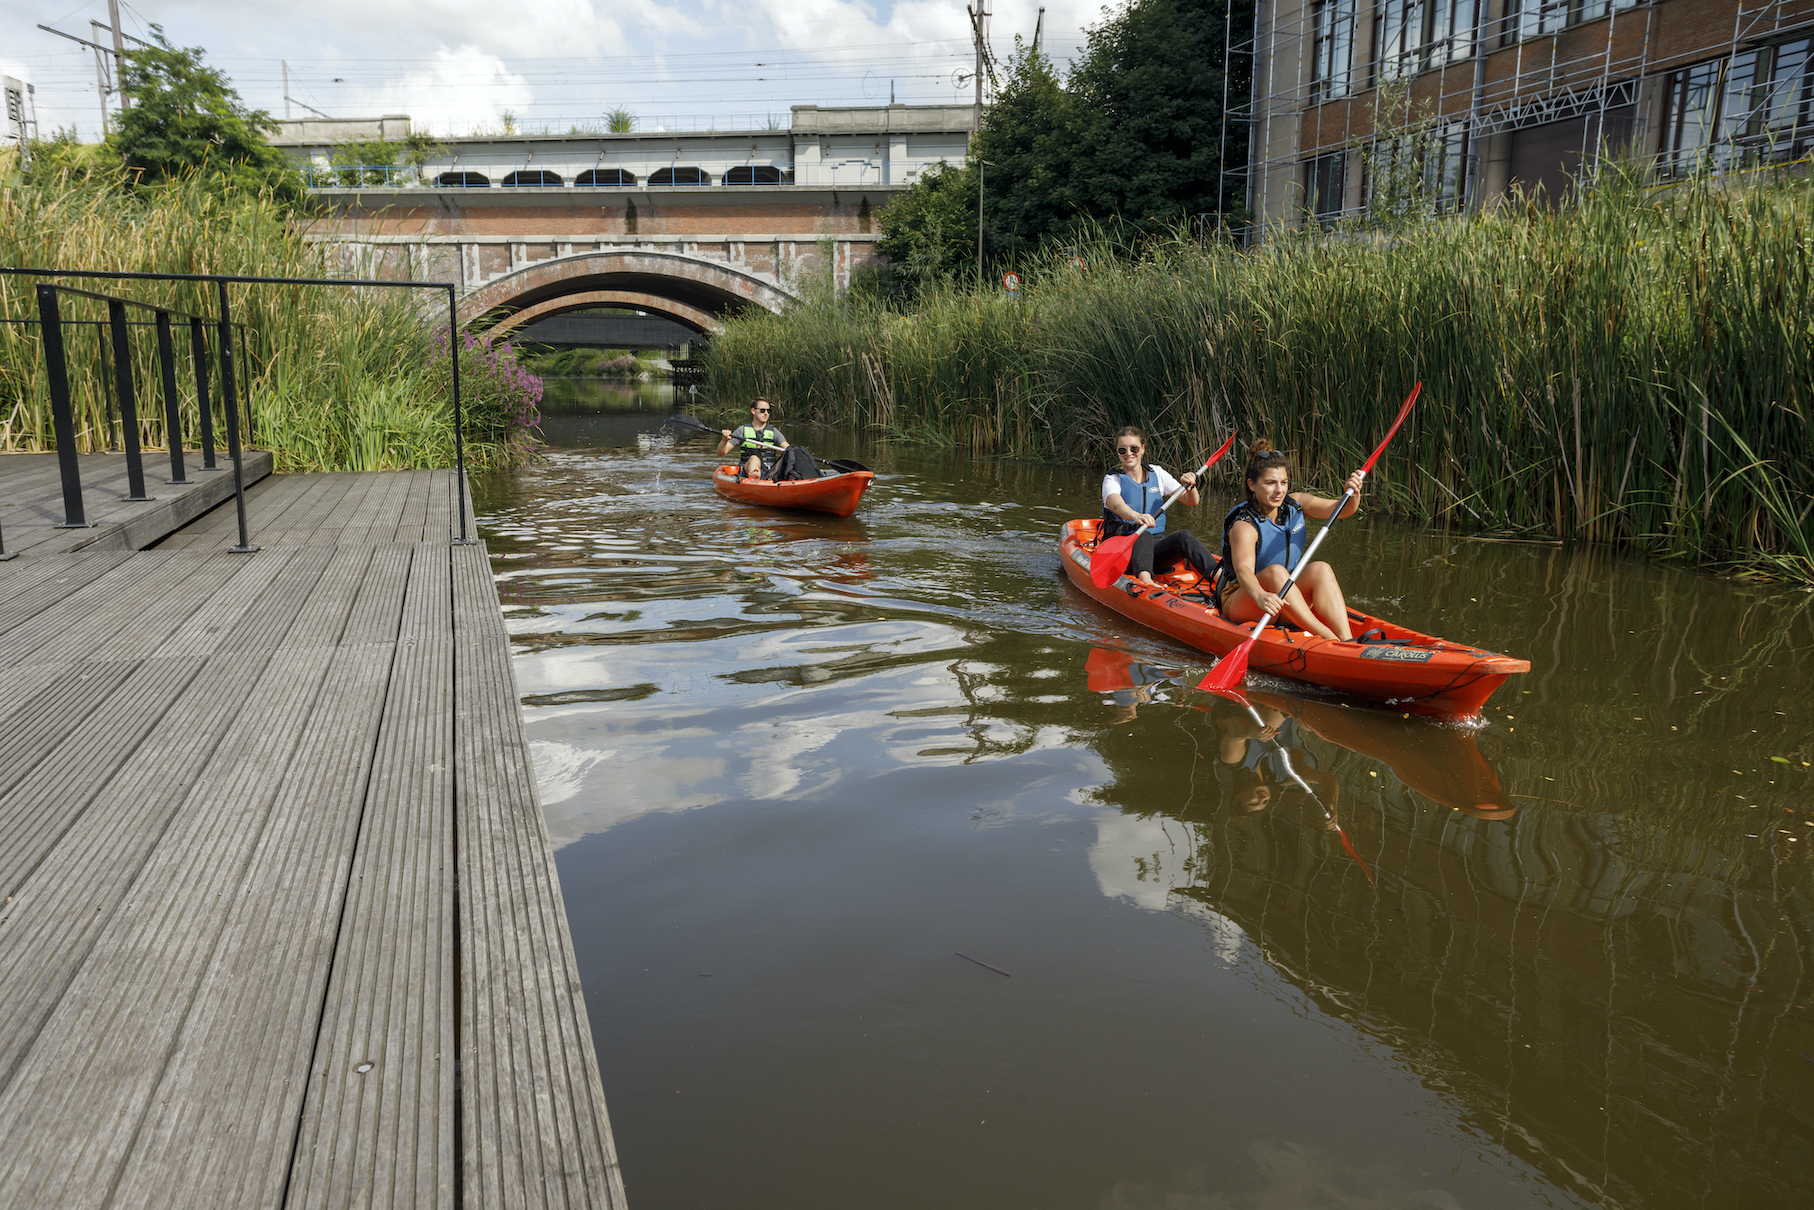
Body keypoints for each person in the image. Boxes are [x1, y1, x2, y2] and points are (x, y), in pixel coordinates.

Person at [1214, 441, 1365, 642]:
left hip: (1284, 599)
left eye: (1283, 482)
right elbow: (1244, 572)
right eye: (1270, 483)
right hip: (1248, 602)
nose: (1279, 490)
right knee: (1276, 571)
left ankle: (1347, 641)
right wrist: (1260, 595)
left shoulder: (1295, 504)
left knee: (1321, 568)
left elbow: (1342, 510)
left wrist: (1352, 493)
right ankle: (1328, 638)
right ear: (1252, 484)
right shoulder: (1244, 525)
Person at [1099, 426, 1218, 589]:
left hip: (1155, 551)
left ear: (1142, 449)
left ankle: (1219, 576)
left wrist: (1190, 487)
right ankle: (1146, 581)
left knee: (1183, 536)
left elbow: (1192, 501)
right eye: (1122, 450)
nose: (1128, 453)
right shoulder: (1112, 479)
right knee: (1143, 533)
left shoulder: (1157, 473)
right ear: (1118, 452)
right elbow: (1116, 503)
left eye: (1133, 448)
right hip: (1125, 552)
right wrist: (1135, 516)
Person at [718, 398, 788, 479]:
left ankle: (773, 478)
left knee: (786, 457)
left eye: (768, 411)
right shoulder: (742, 431)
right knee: (754, 458)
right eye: (762, 410)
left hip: (770, 471)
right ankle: (754, 476)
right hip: (748, 469)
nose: (766, 413)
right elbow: (721, 453)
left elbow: (787, 447)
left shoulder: (774, 432)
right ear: (753, 411)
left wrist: (791, 451)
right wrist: (724, 440)